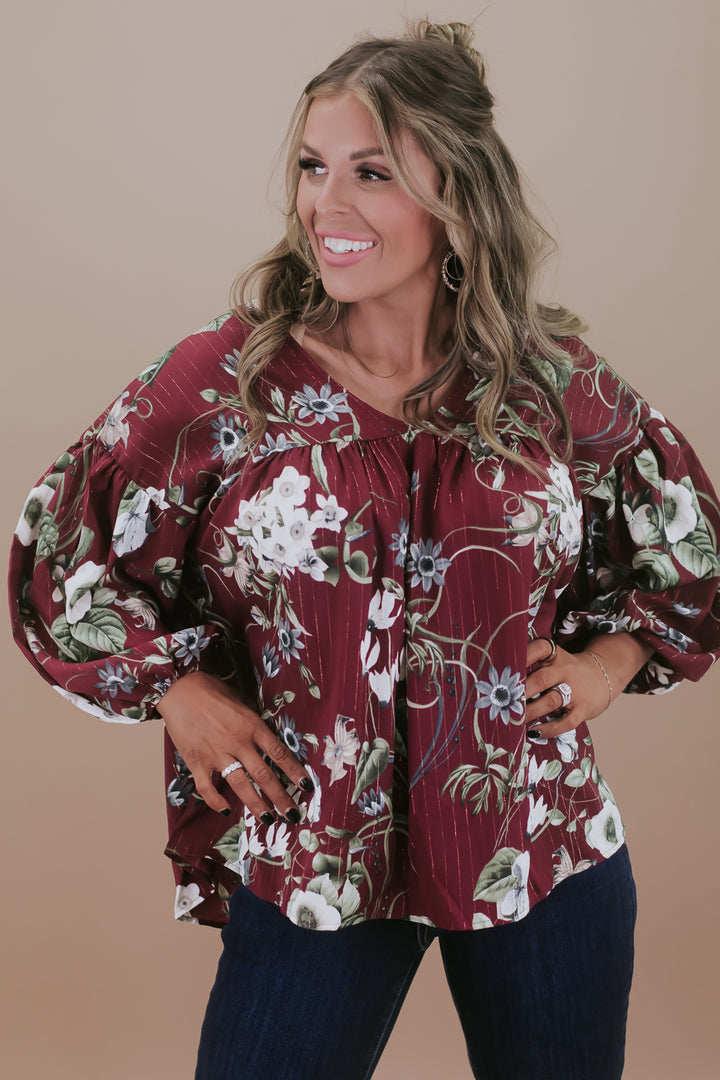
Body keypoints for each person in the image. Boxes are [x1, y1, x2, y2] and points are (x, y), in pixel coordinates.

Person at [8, 18, 720, 1080]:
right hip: (316, 852)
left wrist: (608, 665)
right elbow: (62, 553)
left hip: (538, 843)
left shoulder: (549, 383)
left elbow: (688, 547)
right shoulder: (227, 385)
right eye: (312, 166)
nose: (325, 204)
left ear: (457, 196)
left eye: (371, 172)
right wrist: (180, 692)